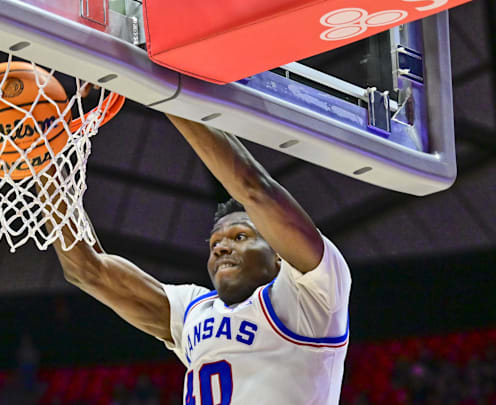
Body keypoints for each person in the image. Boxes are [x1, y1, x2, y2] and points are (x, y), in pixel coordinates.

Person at [45, 114, 351, 404]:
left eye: (240, 237)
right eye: (215, 243)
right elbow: (88, 271)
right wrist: (42, 160)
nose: (220, 248)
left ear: (279, 257)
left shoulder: (312, 296)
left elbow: (254, 189)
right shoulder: (196, 309)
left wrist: (162, 90)